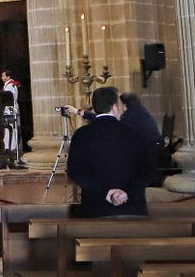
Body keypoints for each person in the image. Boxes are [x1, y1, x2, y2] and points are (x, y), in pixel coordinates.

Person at [65, 86, 154, 218]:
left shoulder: (81, 134)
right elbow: (148, 170)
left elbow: (75, 171)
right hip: (132, 208)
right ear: (114, 107)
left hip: (95, 209)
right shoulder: (135, 132)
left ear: (95, 108)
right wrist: (126, 193)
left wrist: (105, 193)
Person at [120, 91, 164, 185]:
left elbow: (118, 131)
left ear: (124, 104)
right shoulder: (144, 112)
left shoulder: (128, 116)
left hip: (144, 152)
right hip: (155, 148)